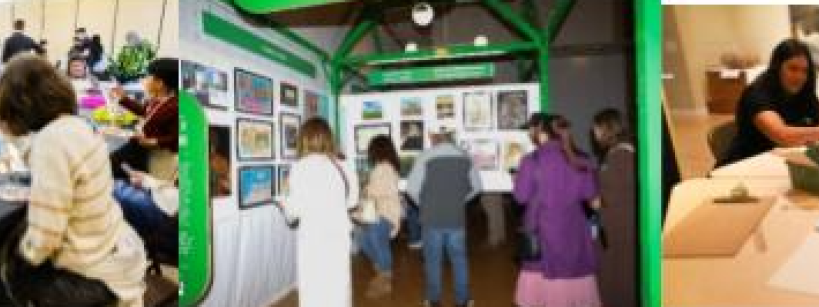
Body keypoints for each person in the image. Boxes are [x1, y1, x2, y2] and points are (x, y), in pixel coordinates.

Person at [0, 54, 146, 306]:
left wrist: (22, 255)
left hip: (93, 272)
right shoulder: (77, 124)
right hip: (117, 247)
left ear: (16, 105)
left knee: (12, 266)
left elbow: (44, 239)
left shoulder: (50, 143)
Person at [513, 113, 601, 307]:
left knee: (542, 292)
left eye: (531, 130)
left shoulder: (531, 160)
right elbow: (591, 196)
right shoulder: (580, 159)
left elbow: (521, 197)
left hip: (541, 235)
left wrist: (516, 179)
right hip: (574, 233)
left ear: (542, 133)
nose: (529, 134)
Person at [282, 118, 359, 307]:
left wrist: (284, 198)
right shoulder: (345, 165)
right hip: (338, 238)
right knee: (339, 292)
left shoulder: (299, 168)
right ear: (329, 138)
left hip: (313, 241)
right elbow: (352, 202)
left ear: (304, 139)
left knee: (314, 295)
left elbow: (293, 213)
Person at [406, 124, 481, 307]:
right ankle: (463, 300)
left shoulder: (425, 156)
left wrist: (424, 205)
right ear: (450, 135)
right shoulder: (465, 156)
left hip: (431, 218)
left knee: (432, 260)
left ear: (433, 137)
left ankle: (433, 300)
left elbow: (411, 189)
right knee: (459, 259)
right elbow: (477, 188)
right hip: (456, 217)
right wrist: (460, 200)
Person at [718, 39, 819, 166]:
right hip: (743, 166)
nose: (800, 77)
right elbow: (783, 136)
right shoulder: (757, 93)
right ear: (777, 68)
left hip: (780, 163)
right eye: (793, 69)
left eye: (805, 71)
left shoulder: (804, 92)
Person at [591, 108, 637, 307]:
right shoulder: (630, 152)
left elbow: (608, 198)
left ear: (607, 129)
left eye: (597, 129)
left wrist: (594, 201)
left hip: (617, 232)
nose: (594, 134)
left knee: (615, 281)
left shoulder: (617, 158)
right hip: (626, 228)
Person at [109, 58, 179, 181]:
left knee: (112, 167)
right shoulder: (156, 99)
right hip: (139, 148)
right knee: (111, 164)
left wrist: (152, 141)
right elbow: (146, 113)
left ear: (160, 83)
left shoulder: (175, 106)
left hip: (157, 157)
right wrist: (123, 99)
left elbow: (176, 139)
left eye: (148, 77)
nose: (145, 80)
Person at [357, 135, 402, 298]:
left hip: (385, 214)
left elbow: (381, 190)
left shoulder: (384, 167)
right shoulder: (384, 167)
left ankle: (384, 276)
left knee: (377, 242)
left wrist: (366, 188)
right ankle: (382, 270)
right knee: (362, 239)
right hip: (380, 213)